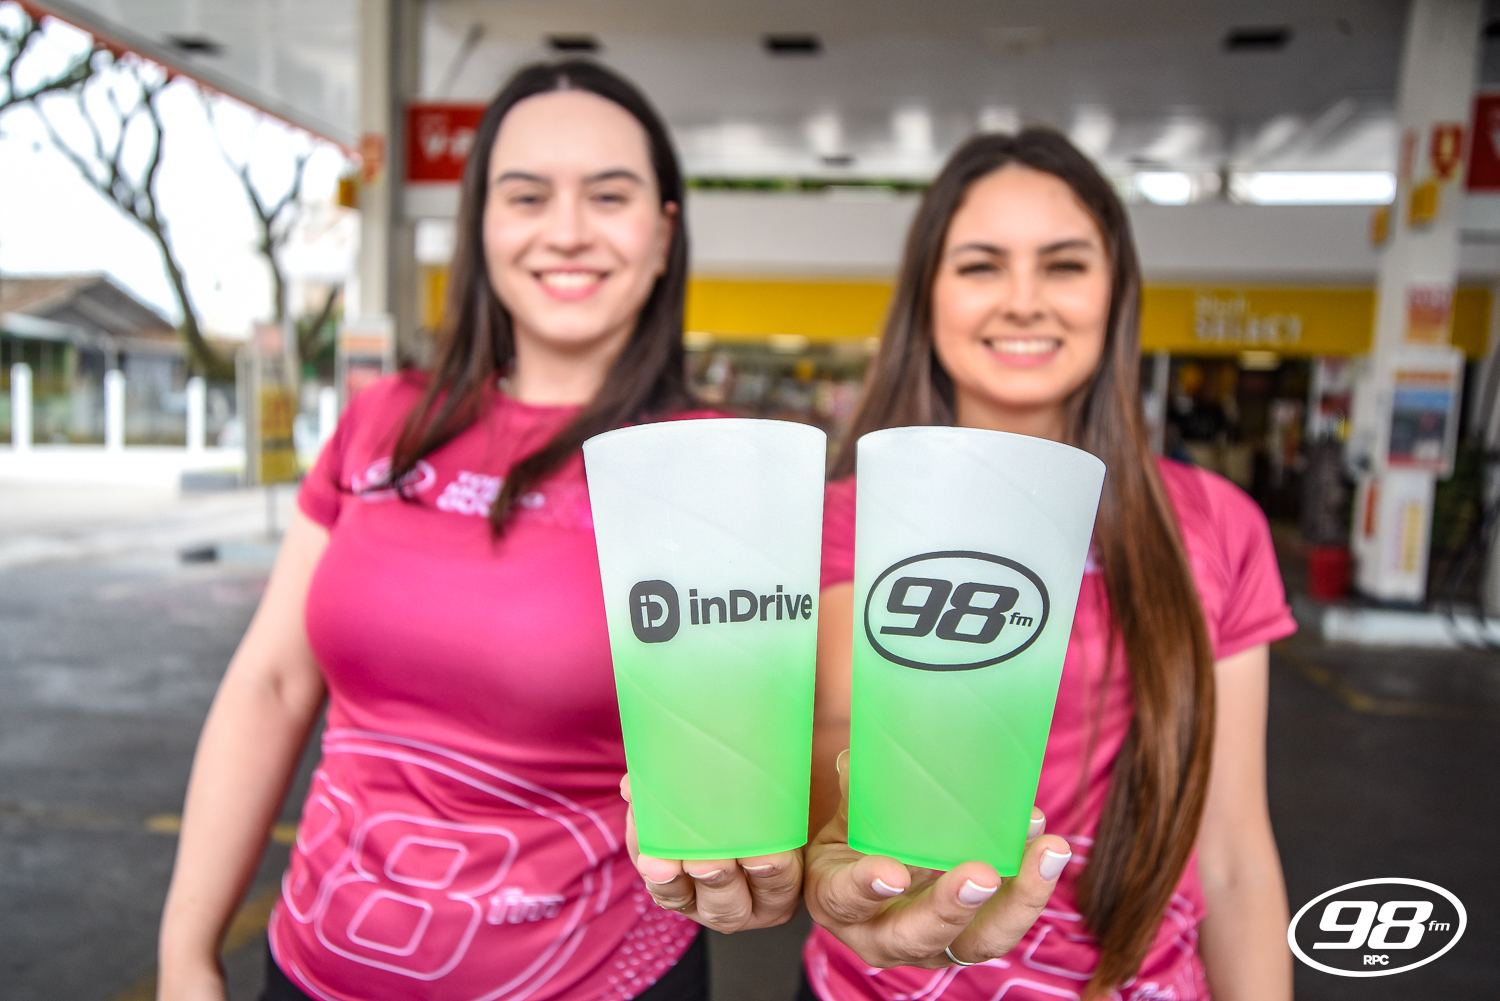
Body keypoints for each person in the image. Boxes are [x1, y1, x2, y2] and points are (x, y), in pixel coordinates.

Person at [156, 60, 788, 1001]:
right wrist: (185, 951)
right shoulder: (382, 421)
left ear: (662, 235)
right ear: (482, 227)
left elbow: (759, 756)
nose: (566, 230)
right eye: (527, 195)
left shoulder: (714, 465)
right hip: (311, 969)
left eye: (609, 196)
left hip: (596, 980)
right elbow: (273, 682)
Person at [798, 129, 1297, 1000]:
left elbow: (1234, 858)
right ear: (927, 296)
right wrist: (832, 855)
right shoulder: (847, 514)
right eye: (981, 265)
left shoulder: (1216, 524)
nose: (1024, 301)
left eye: (1064, 265)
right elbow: (839, 729)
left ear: (1116, 293)